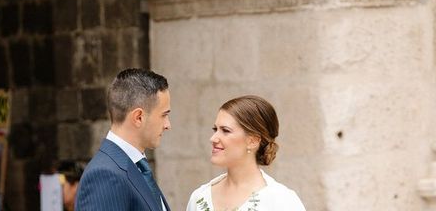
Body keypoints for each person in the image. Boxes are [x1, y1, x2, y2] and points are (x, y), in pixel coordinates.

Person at [186, 95, 306, 211]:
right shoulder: (200, 197)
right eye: (215, 129)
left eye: (225, 131)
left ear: (253, 141)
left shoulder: (282, 201)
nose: (213, 138)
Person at [75, 68, 172, 211]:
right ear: (139, 117)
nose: (168, 125)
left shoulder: (135, 166)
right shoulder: (105, 175)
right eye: (164, 115)